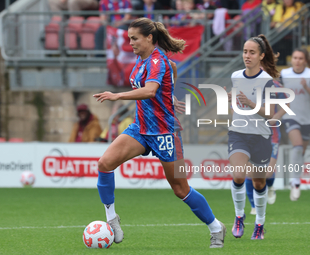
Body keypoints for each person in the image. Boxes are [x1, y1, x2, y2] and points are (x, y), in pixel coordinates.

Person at [93, 17, 226, 248]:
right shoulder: (142, 59)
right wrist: (170, 94)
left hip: (165, 132)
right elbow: (168, 74)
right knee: (105, 163)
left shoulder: (157, 60)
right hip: (141, 128)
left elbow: (150, 90)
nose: (130, 43)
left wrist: (117, 95)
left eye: (134, 38)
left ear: (149, 38)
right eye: (129, 38)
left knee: (180, 189)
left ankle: (216, 227)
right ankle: (112, 219)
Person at [226, 34, 279, 240]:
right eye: (245, 51)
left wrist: (249, 103)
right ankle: (239, 217)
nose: (247, 56)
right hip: (238, 134)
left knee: (258, 183)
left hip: (260, 136)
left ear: (261, 56)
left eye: (252, 52)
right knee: (239, 175)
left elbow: (270, 113)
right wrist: (232, 100)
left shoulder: (267, 81)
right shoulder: (235, 75)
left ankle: (260, 224)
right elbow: (237, 105)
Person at [280, 48, 310, 201]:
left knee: (301, 151)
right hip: (290, 116)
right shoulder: (284, 74)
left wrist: (306, 87)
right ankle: (295, 182)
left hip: (307, 119)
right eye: (295, 58)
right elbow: (275, 93)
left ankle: (296, 177)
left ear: (305, 61)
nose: (297, 61)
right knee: (297, 146)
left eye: (300, 58)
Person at [246, 78, 289, 215]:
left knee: (268, 172)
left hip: (271, 133)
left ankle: (270, 186)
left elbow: (286, 103)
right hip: (251, 133)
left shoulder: (274, 85)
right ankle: (254, 206)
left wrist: (274, 118)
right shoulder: (245, 83)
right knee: (249, 172)